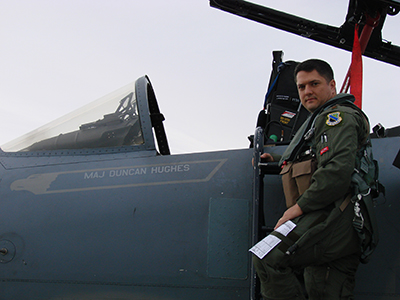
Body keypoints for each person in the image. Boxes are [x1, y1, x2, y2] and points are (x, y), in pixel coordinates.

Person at [252, 59, 370, 300]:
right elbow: (312, 153)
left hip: (333, 215)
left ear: (332, 85)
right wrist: (273, 157)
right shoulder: (319, 120)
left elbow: (336, 171)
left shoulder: (336, 117)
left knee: (266, 257)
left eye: (314, 84)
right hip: (335, 219)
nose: (307, 92)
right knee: (323, 289)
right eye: (302, 87)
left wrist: (297, 209)